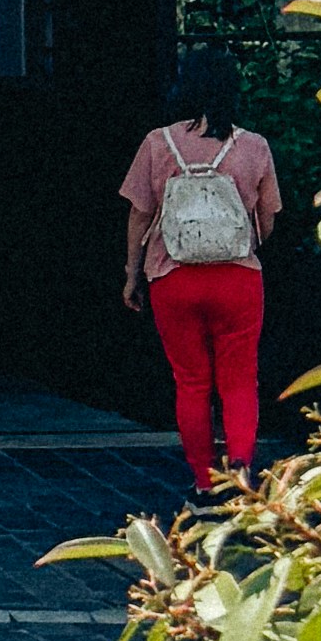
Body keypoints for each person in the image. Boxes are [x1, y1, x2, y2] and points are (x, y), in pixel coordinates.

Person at [122, 48, 281, 489]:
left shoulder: (158, 143)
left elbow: (139, 213)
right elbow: (268, 218)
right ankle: (241, 470)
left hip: (172, 276)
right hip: (237, 277)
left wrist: (133, 273)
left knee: (191, 382)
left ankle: (204, 482)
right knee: (239, 380)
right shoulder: (254, 146)